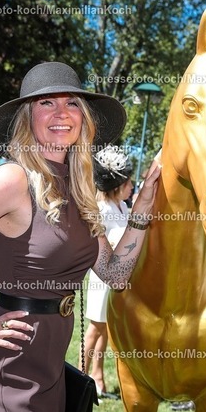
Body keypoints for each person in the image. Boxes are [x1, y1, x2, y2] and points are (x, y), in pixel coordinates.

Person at [0, 61, 160, 412]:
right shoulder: (13, 179)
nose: (61, 113)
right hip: (13, 363)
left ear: (83, 118)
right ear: (27, 117)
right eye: (46, 103)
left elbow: (115, 274)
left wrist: (142, 206)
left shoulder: (79, 188)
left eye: (71, 103)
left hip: (52, 363)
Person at [81, 145, 133, 399]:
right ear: (117, 185)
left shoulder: (122, 207)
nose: (132, 187)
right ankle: (80, 376)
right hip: (102, 279)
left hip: (117, 279)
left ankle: (98, 378)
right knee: (95, 328)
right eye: (128, 182)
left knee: (105, 328)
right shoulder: (102, 210)